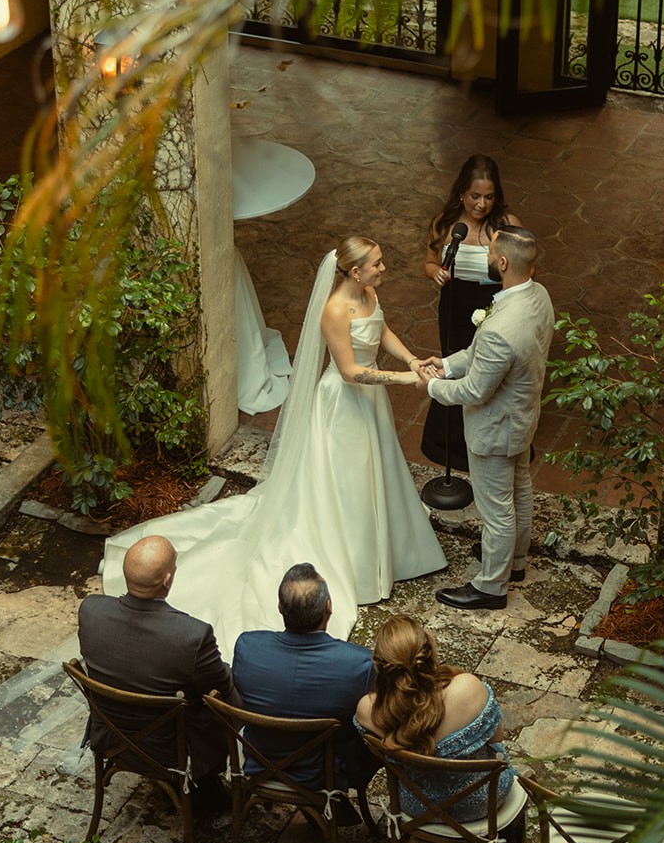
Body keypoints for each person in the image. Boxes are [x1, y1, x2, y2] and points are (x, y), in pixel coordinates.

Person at [101, 237, 446, 654]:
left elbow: (382, 330)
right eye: (376, 263)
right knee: (347, 482)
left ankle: (386, 548)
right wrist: (409, 380)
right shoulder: (335, 310)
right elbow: (352, 371)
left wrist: (411, 360)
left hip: (371, 403)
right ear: (354, 271)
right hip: (345, 404)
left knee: (377, 471)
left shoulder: (369, 293)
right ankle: (357, 564)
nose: (383, 268)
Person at [424, 226, 554, 611]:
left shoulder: (500, 327)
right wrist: (447, 365)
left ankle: (491, 587)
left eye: (489, 251)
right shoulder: (538, 295)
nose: (483, 253)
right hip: (523, 415)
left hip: (495, 428)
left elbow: (474, 391)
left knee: (497, 510)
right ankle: (514, 564)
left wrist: (432, 387)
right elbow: (484, 352)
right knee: (520, 490)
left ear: (502, 262)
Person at [77, 534, 238, 813]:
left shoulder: (90, 610)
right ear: (167, 580)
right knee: (232, 697)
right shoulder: (191, 636)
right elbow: (220, 686)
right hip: (169, 749)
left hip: (111, 737)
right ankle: (205, 779)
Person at [232, 562, 378, 804]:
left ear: (280, 608)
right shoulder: (360, 663)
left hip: (260, 763)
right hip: (323, 775)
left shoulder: (247, 647)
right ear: (328, 608)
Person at [354, 615, 515, 819]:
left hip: (418, 806)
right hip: (485, 801)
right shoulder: (468, 687)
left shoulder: (368, 709)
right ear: (430, 654)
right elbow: (497, 739)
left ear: (380, 667)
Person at [420, 155, 520, 471]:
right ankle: (448, 442)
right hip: (455, 304)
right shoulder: (445, 223)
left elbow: (524, 271)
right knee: (454, 365)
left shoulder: (507, 226)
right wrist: (434, 273)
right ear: (462, 192)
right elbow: (430, 261)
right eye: (475, 196)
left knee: (491, 368)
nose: (481, 204)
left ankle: (489, 441)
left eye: (489, 197)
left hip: (493, 304)